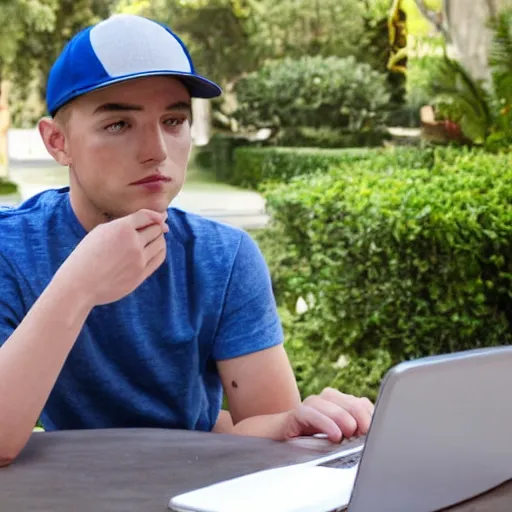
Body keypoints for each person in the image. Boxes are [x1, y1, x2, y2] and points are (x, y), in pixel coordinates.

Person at [0, 13, 373, 467]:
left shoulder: (223, 257)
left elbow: (264, 426)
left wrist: (291, 424)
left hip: (190, 489)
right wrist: (78, 285)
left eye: (173, 121)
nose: (156, 150)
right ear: (58, 142)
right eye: (119, 124)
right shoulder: (11, 247)